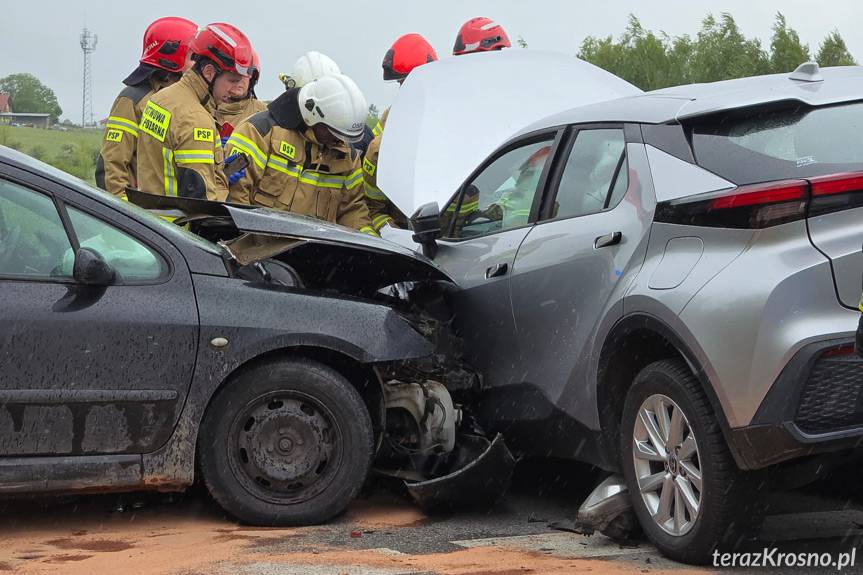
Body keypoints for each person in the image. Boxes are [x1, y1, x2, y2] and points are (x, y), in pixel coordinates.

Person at [225, 73, 375, 234]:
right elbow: (236, 194)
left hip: (310, 254)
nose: (340, 141)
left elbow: (353, 210)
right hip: (254, 248)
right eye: (334, 132)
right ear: (313, 117)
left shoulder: (347, 156)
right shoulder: (260, 132)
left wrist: (372, 245)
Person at [135, 22, 255, 201]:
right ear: (208, 72)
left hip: (152, 218)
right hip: (177, 226)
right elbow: (200, 202)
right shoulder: (196, 120)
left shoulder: (161, 98)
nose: (235, 90)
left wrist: (217, 169)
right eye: (232, 80)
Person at [95, 17, 198, 196]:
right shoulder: (132, 99)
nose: (199, 64)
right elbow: (112, 165)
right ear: (172, 57)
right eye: (194, 57)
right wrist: (127, 213)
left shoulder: (194, 99)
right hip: (143, 215)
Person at [363, 33, 438, 232]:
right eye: (401, 83)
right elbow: (373, 207)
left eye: (408, 82)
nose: (405, 89)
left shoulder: (446, 118)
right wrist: (391, 234)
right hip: (404, 234)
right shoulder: (391, 119)